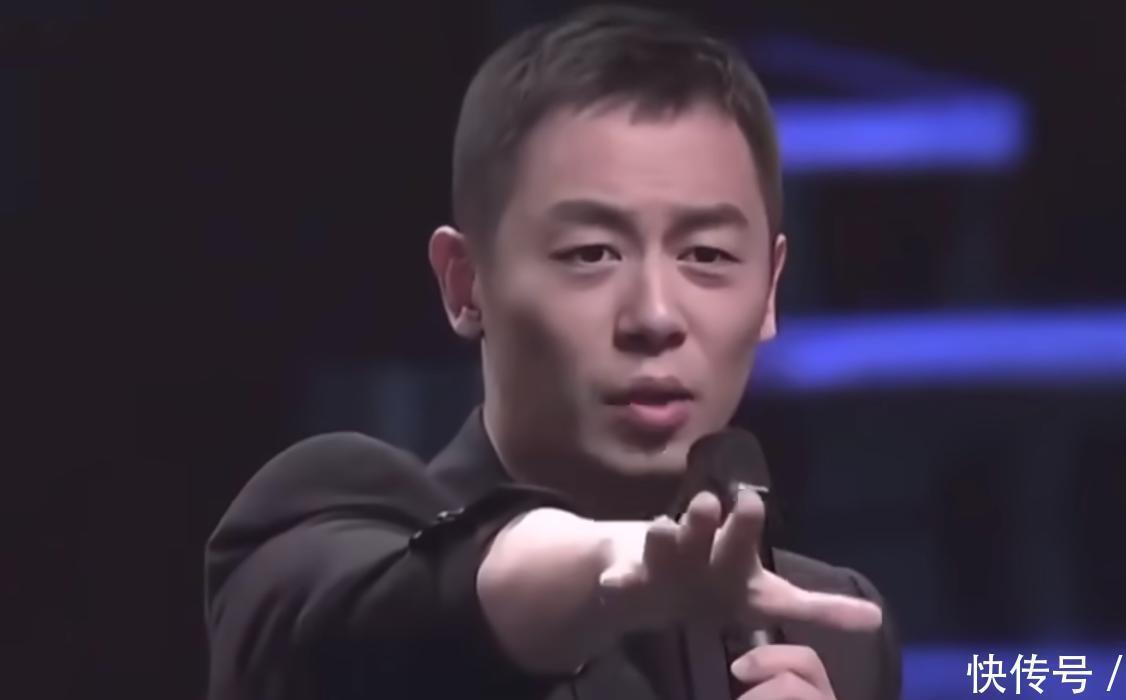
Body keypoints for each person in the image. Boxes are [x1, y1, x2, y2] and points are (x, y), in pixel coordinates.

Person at [204, 5, 902, 699]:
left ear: (771, 288)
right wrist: (606, 564)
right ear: (465, 284)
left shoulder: (834, 631)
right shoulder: (321, 549)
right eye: (591, 253)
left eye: (707, 254)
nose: (655, 317)